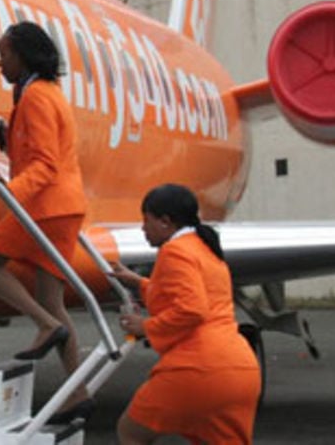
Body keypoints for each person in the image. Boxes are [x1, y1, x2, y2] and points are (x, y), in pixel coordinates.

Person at [0, 21, 92, 422]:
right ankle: (77, 390)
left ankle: (44, 325)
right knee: (52, 299)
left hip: (45, 206)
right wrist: (9, 142)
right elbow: (40, 149)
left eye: (4, 54)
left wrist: (10, 191)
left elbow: (44, 163)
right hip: (65, 207)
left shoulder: (36, 96)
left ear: (22, 57)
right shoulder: (45, 92)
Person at [111, 184, 260, 444]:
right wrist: (138, 282)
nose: (143, 229)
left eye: (146, 220)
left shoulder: (174, 251)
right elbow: (189, 294)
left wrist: (145, 327)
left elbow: (192, 309)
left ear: (165, 222)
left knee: (130, 432)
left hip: (198, 368)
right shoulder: (205, 248)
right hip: (240, 369)